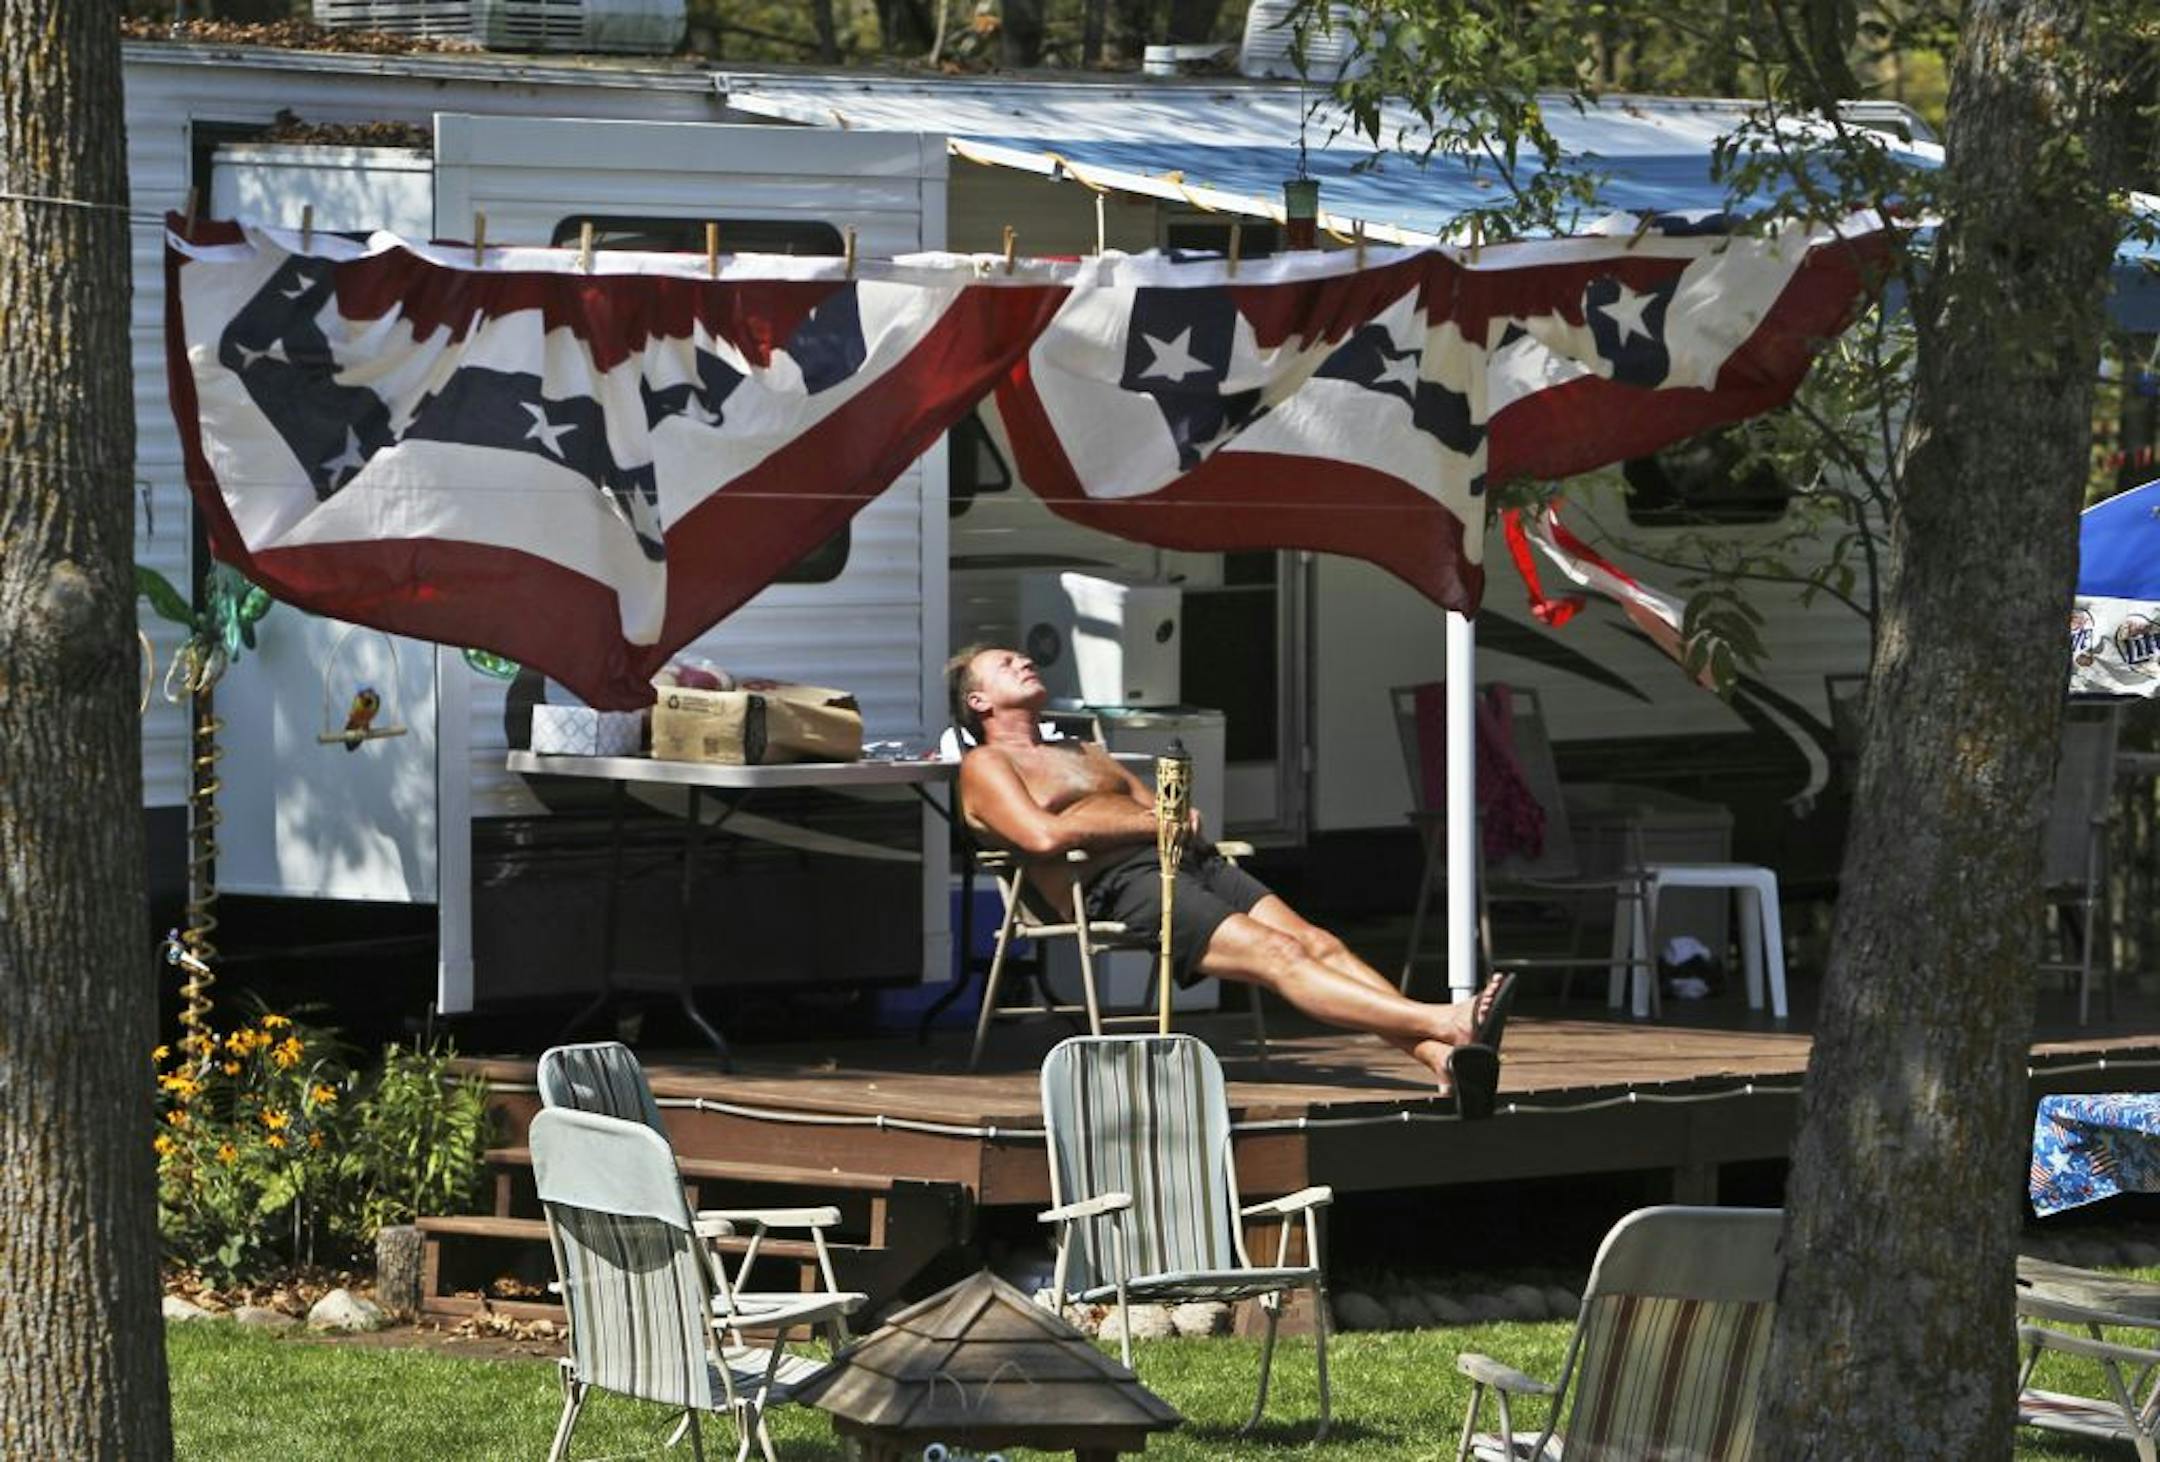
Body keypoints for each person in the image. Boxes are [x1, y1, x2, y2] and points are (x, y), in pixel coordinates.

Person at [948, 643, 1516, 1113]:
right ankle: (1444, 1020)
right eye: (1005, 663)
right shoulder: (987, 766)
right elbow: (1042, 837)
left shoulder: (1086, 750)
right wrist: (1149, 822)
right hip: (1119, 884)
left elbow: (1173, 814)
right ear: (979, 701)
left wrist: (1164, 820)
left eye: (1025, 658)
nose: (1025, 662)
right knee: (1280, 957)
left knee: (1320, 943)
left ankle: (1440, 1059)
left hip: (1191, 861)